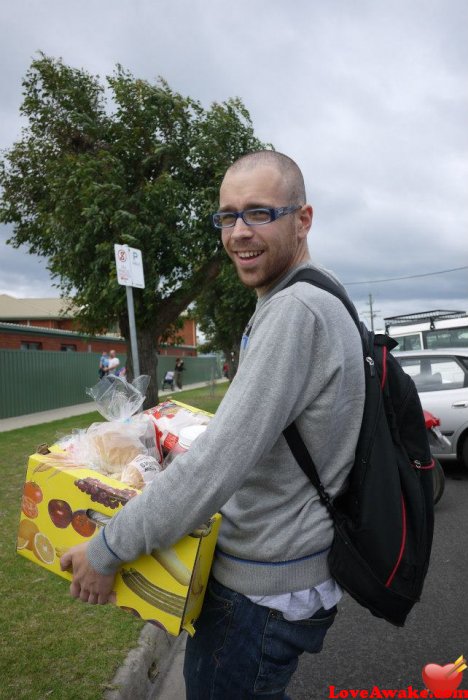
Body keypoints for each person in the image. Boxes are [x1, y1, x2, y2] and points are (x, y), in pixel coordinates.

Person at [61, 151, 365, 698]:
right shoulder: (315, 292)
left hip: (263, 595)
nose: (238, 233)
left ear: (304, 219)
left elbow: (216, 466)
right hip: (288, 576)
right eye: (227, 216)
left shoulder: (295, 311)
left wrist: (107, 548)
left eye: (259, 213)